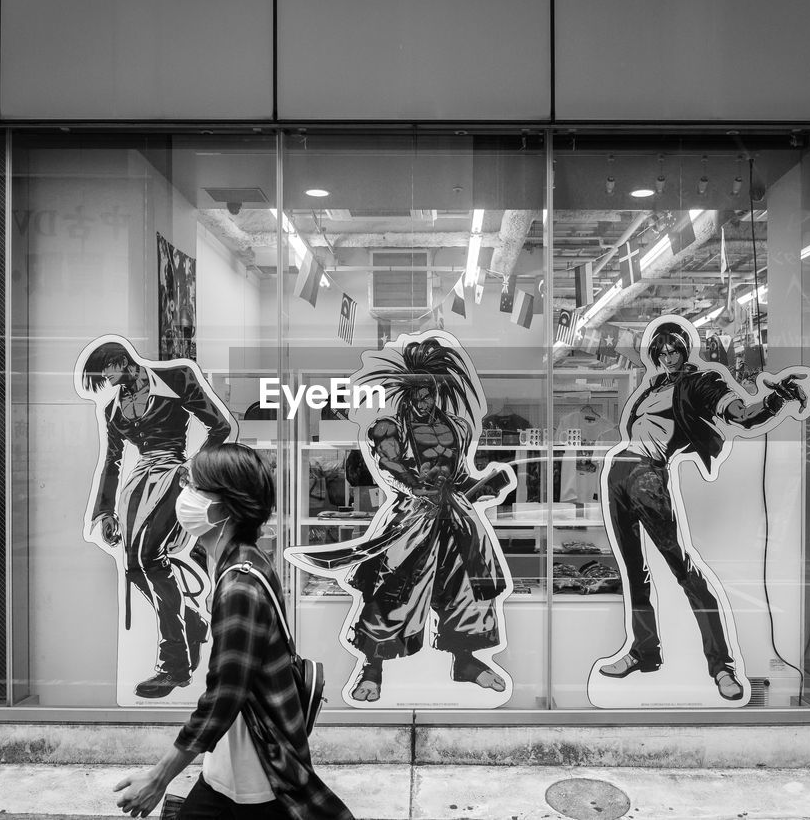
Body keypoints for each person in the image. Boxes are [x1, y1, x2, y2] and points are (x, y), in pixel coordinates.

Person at [114, 443, 354, 820]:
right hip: (236, 764)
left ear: (221, 507)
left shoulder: (239, 584)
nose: (183, 495)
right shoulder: (242, 560)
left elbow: (225, 694)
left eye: (192, 486)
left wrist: (159, 778)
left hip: (253, 770)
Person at [286, 336, 514, 703]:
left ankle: (467, 660)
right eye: (421, 392)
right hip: (413, 518)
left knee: (469, 588)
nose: (428, 400)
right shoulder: (389, 427)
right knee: (393, 589)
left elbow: (457, 475)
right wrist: (415, 488)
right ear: (408, 392)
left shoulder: (457, 427)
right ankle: (372, 667)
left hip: (457, 516)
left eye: (432, 392)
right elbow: (392, 465)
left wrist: (483, 485)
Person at [598, 318, 810, 701]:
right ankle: (643, 652)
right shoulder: (652, 386)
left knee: (684, 570)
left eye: (674, 348)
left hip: (648, 475)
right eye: (660, 349)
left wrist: (777, 400)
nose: (667, 355)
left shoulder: (699, 382)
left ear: (685, 348)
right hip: (620, 473)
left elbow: (742, 414)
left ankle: (721, 667)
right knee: (634, 573)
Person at [79, 338, 234, 698]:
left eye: (107, 370)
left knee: (148, 558)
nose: (105, 379)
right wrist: (104, 511)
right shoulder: (112, 411)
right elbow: (112, 462)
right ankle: (191, 623)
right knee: (134, 566)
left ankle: (174, 666)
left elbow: (220, 427)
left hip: (175, 476)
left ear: (122, 360)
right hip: (137, 486)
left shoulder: (177, 378)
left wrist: (193, 466)